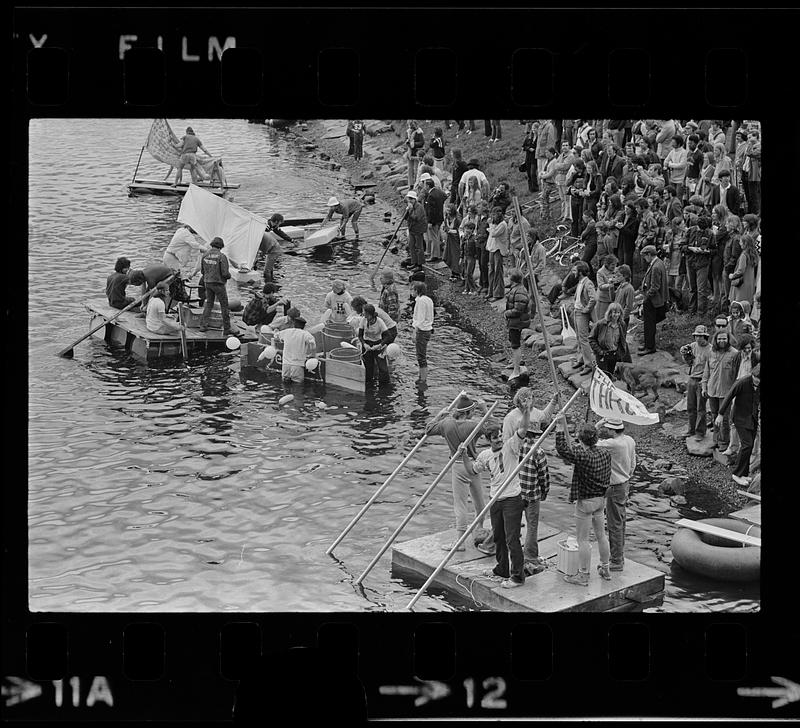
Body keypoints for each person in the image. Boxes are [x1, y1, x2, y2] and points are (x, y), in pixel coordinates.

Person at [462, 410, 530, 589]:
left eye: (500, 436)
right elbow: (472, 471)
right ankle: (502, 569)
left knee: (512, 539)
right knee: (498, 537)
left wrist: (527, 410)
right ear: (488, 440)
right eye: (495, 438)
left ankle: (517, 576)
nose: (499, 440)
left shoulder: (511, 446)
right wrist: (463, 454)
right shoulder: (485, 455)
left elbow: (523, 428)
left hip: (512, 499)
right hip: (496, 500)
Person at [426, 394, 490, 551]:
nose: (474, 414)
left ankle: (460, 542)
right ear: (467, 413)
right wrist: (485, 409)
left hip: (458, 465)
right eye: (473, 411)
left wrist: (438, 416)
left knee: (460, 504)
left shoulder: (446, 424)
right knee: (479, 500)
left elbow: (428, 430)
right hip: (474, 465)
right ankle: (478, 528)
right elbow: (493, 428)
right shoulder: (474, 426)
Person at [555, 414, 613, 586]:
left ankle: (583, 575)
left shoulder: (581, 455)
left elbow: (562, 449)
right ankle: (605, 567)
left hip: (585, 502)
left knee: (583, 540)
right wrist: (595, 427)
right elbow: (586, 443)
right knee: (602, 536)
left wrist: (559, 426)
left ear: (581, 440)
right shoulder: (604, 452)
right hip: (600, 500)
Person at [593, 418, 637, 572]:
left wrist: (597, 424)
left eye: (607, 428)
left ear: (612, 430)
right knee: (621, 521)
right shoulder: (629, 440)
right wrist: (627, 476)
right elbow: (633, 464)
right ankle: (619, 557)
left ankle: (616, 561)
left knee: (614, 524)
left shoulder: (613, 444)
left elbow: (590, 441)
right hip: (625, 484)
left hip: (615, 486)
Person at [718, 364, 760, 486]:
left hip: (753, 417)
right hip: (739, 417)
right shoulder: (742, 382)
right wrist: (720, 414)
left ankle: (744, 474)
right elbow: (729, 395)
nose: (757, 380)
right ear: (752, 374)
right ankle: (736, 474)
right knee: (747, 444)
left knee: (750, 446)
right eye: (755, 377)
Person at [702, 329, 738, 452]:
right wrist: (704, 386)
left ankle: (724, 442)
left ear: (728, 339)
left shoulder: (734, 354)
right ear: (716, 340)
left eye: (724, 338)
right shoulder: (711, 352)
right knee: (714, 415)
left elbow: (737, 374)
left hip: (726, 392)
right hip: (712, 390)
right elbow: (706, 371)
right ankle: (715, 440)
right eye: (719, 339)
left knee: (724, 418)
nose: (722, 341)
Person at [198, 237, 238, 336]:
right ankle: (227, 328)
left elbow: (202, 271)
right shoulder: (221, 256)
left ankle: (203, 326)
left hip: (207, 283)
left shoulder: (205, 255)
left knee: (209, 304)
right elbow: (225, 273)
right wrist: (229, 276)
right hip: (219, 284)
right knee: (224, 306)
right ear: (221, 246)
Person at [680, 324, 712, 439]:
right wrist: (684, 354)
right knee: (690, 407)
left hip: (702, 380)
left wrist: (706, 383)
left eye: (700, 336)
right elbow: (688, 362)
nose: (698, 338)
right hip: (692, 378)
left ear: (705, 336)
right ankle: (691, 429)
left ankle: (700, 432)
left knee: (701, 408)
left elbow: (711, 368)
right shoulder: (692, 346)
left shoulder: (710, 349)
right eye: (696, 336)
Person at [638, 245, 668, 355]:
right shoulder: (659, 262)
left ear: (649, 255)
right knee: (649, 323)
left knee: (649, 324)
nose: (645, 259)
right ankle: (647, 344)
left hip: (653, 300)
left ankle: (650, 346)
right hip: (655, 299)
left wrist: (646, 298)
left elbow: (655, 286)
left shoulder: (655, 267)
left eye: (645, 256)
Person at [682, 215, 714, 316]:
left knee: (701, 289)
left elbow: (715, 250)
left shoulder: (710, 233)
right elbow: (681, 246)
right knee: (692, 288)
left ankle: (701, 313)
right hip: (690, 262)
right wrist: (691, 248)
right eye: (700, 228)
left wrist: (707, 251)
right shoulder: (690, 231)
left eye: (703, 229)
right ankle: (691, 311)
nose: (701, 231)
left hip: (703, 263)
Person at [589, 302, 630, 376]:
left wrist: (620, 353)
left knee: (610, 375)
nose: (616, 315)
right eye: (614, 312)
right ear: (610, 313)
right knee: (602, 376)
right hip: (602, 354)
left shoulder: (622, 325)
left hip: (614, 354)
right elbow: (591, 339)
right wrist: (600, 351)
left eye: (618, 312)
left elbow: (623, 340)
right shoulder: (600, 324)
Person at [272, 315, 316, 384]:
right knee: (297, 387)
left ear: (293, 324)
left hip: (285, 365)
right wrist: (312, 355)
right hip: (297, 365)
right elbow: (312, 344)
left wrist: (276, 332)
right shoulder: (305, 334)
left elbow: (276, 336)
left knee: (285, 384)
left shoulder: (286, 331)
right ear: (304, 326)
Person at [570, 261, 596, 375]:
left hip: (582, 313)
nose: (573, 272)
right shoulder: (580, 282)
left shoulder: (588, 283)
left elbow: (593, 298)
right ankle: (581, 359)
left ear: (580, 272)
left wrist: (586, 309)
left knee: (584, 339)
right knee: (579, 338)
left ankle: (588, 364)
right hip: (577, 311)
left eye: (575, 270)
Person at [504, 269, 531, 380]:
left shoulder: (519, 291)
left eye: (509, 276)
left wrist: (507, 313)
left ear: (513, 279)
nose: (507, 278)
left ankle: (516, 370)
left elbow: (518, 310)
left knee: (515, 345)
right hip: (514, 322)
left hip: (517, 322)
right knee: (513, 342)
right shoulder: (516, 289)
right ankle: (515, 362)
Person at [357, 304, 390, 385]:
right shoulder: (363, 320)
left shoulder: (379, 321)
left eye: (364, 313)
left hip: (378, 344)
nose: (363, 314)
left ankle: (384, 386)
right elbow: (360, 335)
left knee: (383, 369)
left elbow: (388, 336)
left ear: (369, 314)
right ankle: (369, 385)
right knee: (368, 368)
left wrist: (380, 345)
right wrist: (364, 344)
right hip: (367, 345)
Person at [411, 281, 434, 385]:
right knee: (422, 355)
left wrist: (414, 332)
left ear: (416, 290)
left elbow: (420, 319)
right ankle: (421, 377)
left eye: (412, 289)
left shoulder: (420, 301)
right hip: (428, 329)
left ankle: (423, 379)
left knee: (421, 356)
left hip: (422, 331)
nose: (411, 292)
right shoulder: (428, 300)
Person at [729, 230, 759, 306]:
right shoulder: (753, 254)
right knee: (747, 304)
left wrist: (732, 276)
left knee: (739, 304)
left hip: (742, 283)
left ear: (745, 243)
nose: (740, 244)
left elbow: (741, 270)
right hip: (750, 282)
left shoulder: (744, 255)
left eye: (741, 242)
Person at [485, 207, 509, 302]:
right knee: (491, 271)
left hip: (498, 250)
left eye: (494, 215)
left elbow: (494, 234)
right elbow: (491, 236)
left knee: (498, 271)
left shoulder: (503, 224)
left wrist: (490, 224)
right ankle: (491, 291)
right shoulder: (495, 224)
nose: (493, 217)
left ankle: (498, 293)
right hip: (492, 248)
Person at [424, 178, 447, 261]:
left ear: (428, 185)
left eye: (425, 185)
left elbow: (431, 211)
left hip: (433, 220)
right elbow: (445, 196)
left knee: (434, 238)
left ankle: (434, 256)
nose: (424, 187)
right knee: (436, 236)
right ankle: (437, 254)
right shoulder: (439, 192)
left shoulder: (431, 196)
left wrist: (430, 222)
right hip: (440, 218)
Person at [405, 190, 427, 271]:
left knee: (419, 247)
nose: (410, 200)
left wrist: (410, 211)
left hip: (418, 229)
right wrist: (407, 211)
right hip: (412, 229)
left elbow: (416, 218)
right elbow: (405, 218)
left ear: (415, 199)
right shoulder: (409, 206)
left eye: (411, 198)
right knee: (411, 246)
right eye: (409, 198)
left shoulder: (419, 207)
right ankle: (414, 262)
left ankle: (419, 264)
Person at [742, 129, 761, 215]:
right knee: (749, 195)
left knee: (754, 196)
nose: (748, 139)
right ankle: (750, 212)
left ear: (756, 137)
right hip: (747, 172)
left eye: (751, 137)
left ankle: (756, 214)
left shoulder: (758, 146)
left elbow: (750, 153)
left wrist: (749, 145)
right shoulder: (750, 145)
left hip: (755, 175)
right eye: (748, 137)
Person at [442, 203, 462, 281]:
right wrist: (445, 229)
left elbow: (460, 230)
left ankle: (456, 272)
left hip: (456, 240)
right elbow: (445, 226)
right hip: (449, 239)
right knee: (449, 254)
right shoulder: (446, 218)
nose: (447, 211)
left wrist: (451, 231)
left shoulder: (457, 219)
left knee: (455, 255)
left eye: (449, 210)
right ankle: (452, 271)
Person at [613, 264, 636, 328]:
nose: (617, 277)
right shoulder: (620, 286)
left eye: (619, 276)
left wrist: (621, 318)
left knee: (621, 336)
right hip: (616, 316)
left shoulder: (629, 288)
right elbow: (613, 299)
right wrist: (611, 287)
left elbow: (629, 306)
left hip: (622, 318)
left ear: (625, 276)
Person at [460, 220, 478, 295]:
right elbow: (462, 248)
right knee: (465, 273)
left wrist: (476, 256)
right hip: (465, 257)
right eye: (466, 229)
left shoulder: (474, 238)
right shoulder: (464, 238)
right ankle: (467, 288)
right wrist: (461, 257)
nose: (467, 231)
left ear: (472, 230)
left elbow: (476, 248)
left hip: (471, 257)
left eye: (469, 229)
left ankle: (473, 289)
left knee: (469, 273)